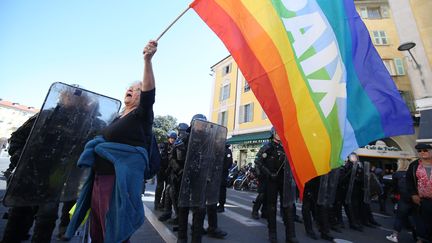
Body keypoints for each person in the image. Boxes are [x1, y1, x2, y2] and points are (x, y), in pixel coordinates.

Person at [65, 40, 158, 242]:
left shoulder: (142, 114)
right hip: (99, 179)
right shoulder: (117, 117)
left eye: (137, 89)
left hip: (117, 182)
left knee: (115, 229)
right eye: (130, 87)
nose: (131, 90)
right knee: (98, 228)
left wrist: (147, 61)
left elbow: (150, 93)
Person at [255, 127, 298, 243]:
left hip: (284, 181)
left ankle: (290, 235)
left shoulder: (286, 147)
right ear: (273, 133)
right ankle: (272, 234)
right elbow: (258, 161)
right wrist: (269, 173)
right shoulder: (268, 147)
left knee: (288, 207)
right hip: (271, 181)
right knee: (271, 207)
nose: (279, 134)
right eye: (277, 132)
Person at [406, 143, 432, 243]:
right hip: (422, 200)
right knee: (423, 222)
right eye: (420, 151)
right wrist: (413, 194)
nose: (422, 152)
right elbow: (409, 181)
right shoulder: (414, 165)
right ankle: (422, 239)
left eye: (425, 150)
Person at [386, 158, 416, 243]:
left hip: (403, 198)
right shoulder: (413, 173)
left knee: (399, 217)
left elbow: (394, 187)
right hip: (414, 197)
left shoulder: (397, 174)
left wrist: (393, 194)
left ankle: (394, 236)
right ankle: (419, 237)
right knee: (415, 218)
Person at [155, 131, 177, 211]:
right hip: (161, 168)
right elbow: (160, 156)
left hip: (169, 170)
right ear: (168, 138)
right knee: (160, 186)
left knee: (167, 188)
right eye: (171, 138)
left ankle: (164, 204)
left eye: (174, 138)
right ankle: (157, 204)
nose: (172, 140)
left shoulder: (175, 146)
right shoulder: (163, 145)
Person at [217, 144, 233, 212]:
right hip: (216, 173)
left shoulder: (227, 151)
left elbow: (229, 163)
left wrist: (222, 169)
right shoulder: (217, 149)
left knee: (222, 189)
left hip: (222, 173)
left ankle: (221, 205)